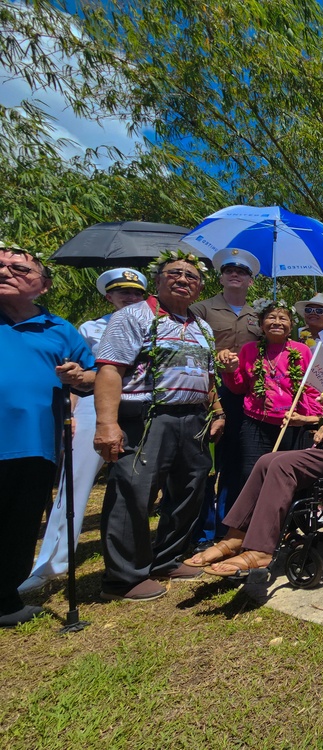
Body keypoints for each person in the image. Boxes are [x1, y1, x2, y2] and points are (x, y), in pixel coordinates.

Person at [94, 249, 224, 601]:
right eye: (175, 274)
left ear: (198, 288)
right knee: (133, 492)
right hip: (148, 417)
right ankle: (123, 577)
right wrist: (107, 423)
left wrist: (218, 410)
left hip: (194, 418)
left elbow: (207, 375)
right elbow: (110, 370)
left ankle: (167, 558)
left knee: (190, 489)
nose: (183, 280)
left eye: (191, 277)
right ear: (158, 279)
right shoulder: (134, 316)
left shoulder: (201, 327)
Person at [19, 267, 147, 594]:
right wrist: (71, 411)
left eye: (135, 293)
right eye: (123, 293)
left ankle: (138, 554)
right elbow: (79, 375)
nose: (130, 298)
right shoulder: (92, 327)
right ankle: (51, 563)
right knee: (73, 486)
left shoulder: (154, 325)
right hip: (94, 406)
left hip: (140, 407)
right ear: (109, 296)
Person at [1, 243, 95, 626]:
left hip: (34, 442)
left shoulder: (59, 328)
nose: (6, 272)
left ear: (43, 285)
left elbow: (92, 377)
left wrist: (78, 376)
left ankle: (5, 600)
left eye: (20, 269)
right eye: (1, 265)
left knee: (20, 521)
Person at [185, 416, 323, 575]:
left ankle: (261, 550)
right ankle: (235, 537)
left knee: (281, 466)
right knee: (266, 461)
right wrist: (315, 421)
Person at [189, 248, 261, 550]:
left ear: (250, 280)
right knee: (203, 463)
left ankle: (227, 527)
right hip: (207, 391)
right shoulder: (201, 309)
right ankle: (201, 533)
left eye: (242, 271)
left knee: (234, 463)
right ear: (220, 276)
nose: (235, 274)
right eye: (229, 269)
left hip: (244, 395)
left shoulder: (260, 314)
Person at [216, 302, 323, 498]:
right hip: (255, 423)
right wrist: (230, 371)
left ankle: (284, 526)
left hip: (291, 425)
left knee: (289, 479)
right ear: (261, 323)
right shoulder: (250, 350)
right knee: (251, 474)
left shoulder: (302, 350)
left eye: (282, 318)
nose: (276, 322)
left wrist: (309, 419)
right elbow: (239, 387)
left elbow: (311, 389)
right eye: (271, 317)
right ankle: (251, 525)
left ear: (291, 325)